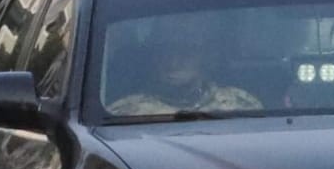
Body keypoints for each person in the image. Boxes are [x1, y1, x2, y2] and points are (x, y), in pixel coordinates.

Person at [108, 38, 263, 117]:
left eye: (185, 54)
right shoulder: (124, 111)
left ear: (203, 59)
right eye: (165, 55)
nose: (173, 64)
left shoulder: (241, 103)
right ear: (154, 61)